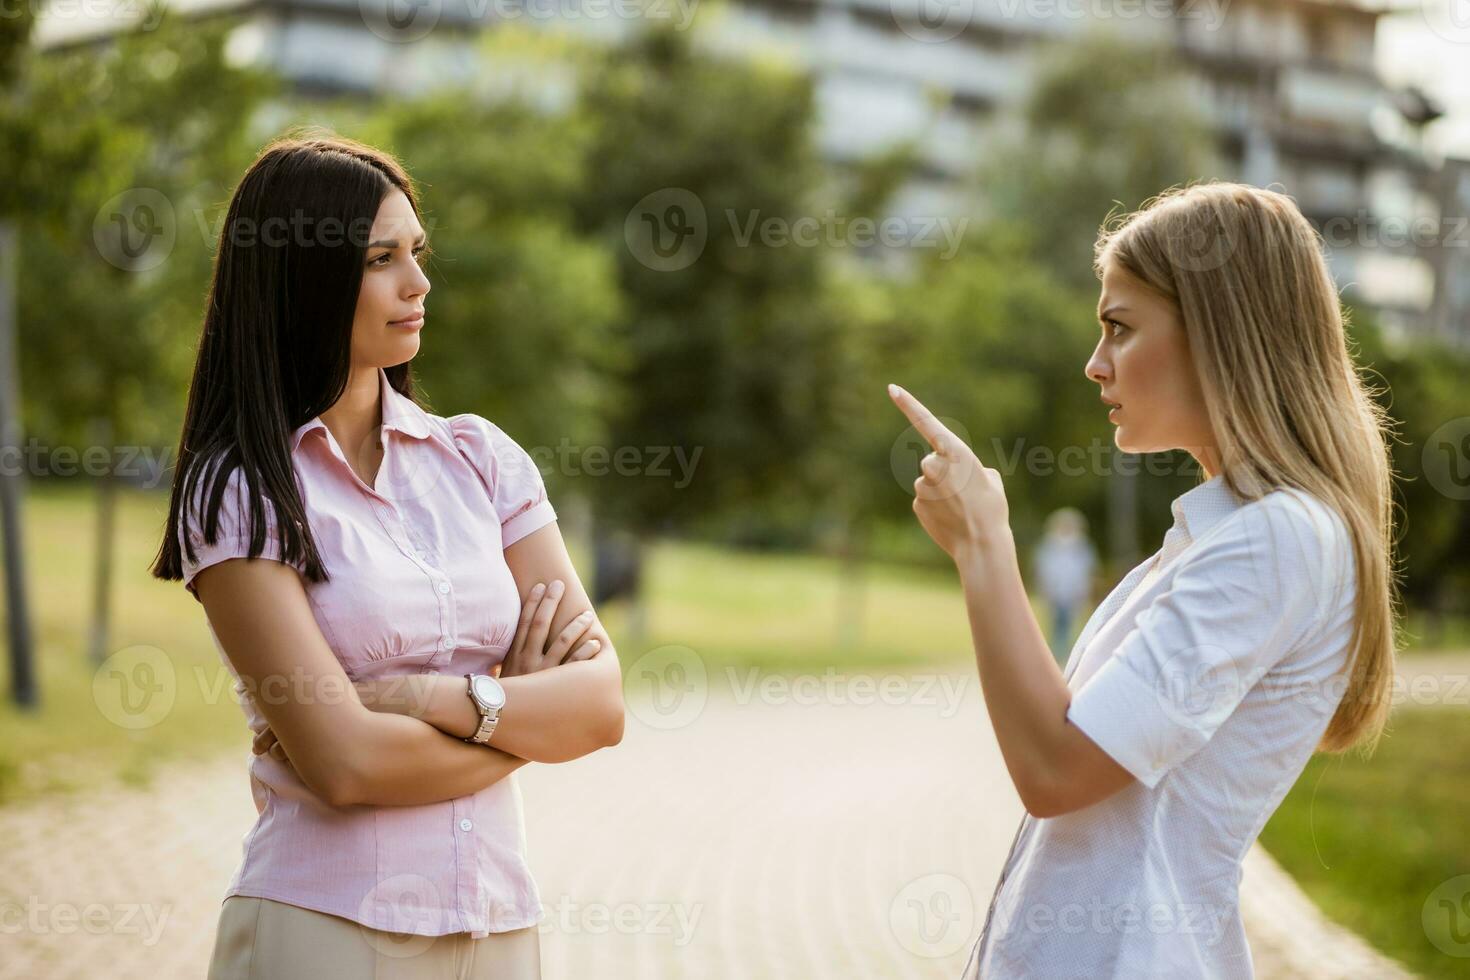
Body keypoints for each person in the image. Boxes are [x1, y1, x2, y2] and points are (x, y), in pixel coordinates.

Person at [887, 182, 1398, 978]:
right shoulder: (1218, 537)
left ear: (1222, 335)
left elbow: (1056, 772)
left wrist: (984, 545)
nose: (1095, 366)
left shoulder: (1277, 541)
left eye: (1120, 329)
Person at [151, 131, 625, 979]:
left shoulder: (482, 461)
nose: (419, 283)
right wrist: (523, 715)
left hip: (500, 928)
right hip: (331, 929)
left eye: (418, 252)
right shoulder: (243, 490)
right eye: (382, 259)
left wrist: (424, 696)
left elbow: (601, 707)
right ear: (305, 278)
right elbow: (344, 765)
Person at [1032, 508, 1097, 663]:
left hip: (1074, 594)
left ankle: (1069, 658)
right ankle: (1053, 658)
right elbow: (1042, 570)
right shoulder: (1048, 547)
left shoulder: (1082, 548)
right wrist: (1046, 590)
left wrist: (1084, 591)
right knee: (1055, 626)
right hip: (1054, 594)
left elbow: (1087, 571)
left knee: (1071, 626)